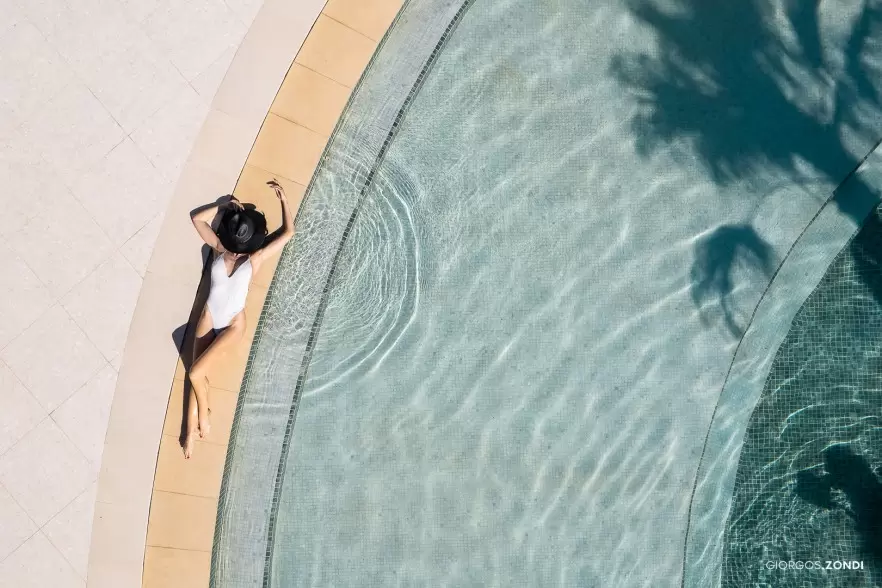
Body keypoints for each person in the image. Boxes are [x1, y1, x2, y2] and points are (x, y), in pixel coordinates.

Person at [184, 180, 294, 458]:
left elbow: (288, 232)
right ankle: (190, 430)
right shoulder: (220, 249)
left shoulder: (254, 259)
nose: (236, 247)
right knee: (198, 371)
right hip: (210, 316)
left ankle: (202, 419)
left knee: (196, 373)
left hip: (233, 323)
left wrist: (284, 201)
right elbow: (197, 219)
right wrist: (222, 206)